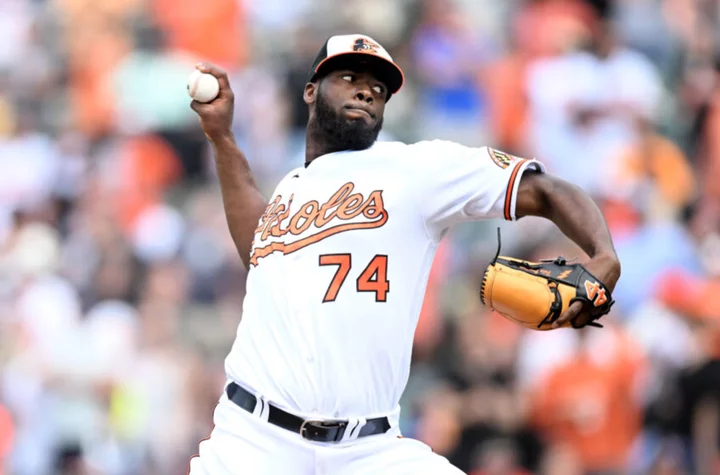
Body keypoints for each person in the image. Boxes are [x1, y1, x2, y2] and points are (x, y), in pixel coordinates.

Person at [187, 34, 621, 475]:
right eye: (349, 77)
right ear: (310, 90)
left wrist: (604, 256)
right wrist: (221, 137)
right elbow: (259, 252)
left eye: (378, 89)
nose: (366, 91)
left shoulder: (415, 169)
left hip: (368, 450)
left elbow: (545, 190)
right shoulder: (292, 187)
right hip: (254, 442)